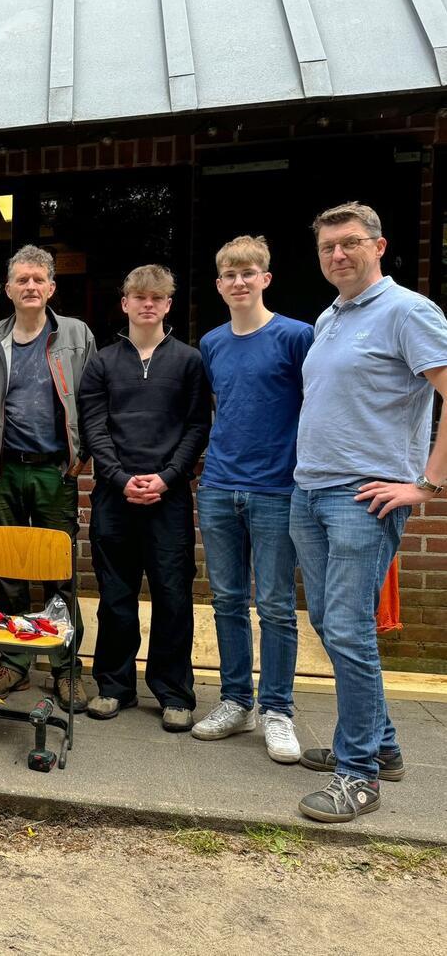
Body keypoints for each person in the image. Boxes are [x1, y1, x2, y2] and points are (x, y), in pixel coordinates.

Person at [289, 202, 447, 823]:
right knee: (331, 625)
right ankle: (380, 746)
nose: (338, 255)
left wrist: (428, 485)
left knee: (350, 630)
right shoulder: (331, 315)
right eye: (328, 246)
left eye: (351, 243)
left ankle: (359, 778)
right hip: (311, 491)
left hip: (363, 496)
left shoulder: (408, 311)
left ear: (379, 247)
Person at [191, 237, 312, 763]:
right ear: (219, 285)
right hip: (218, 487)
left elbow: (320, 404)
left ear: (266, 277)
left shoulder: (296, 336)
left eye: (249, 272)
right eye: (229, 275)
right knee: (226, 601)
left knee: (278, 607)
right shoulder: (212, 343)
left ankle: (277, 709)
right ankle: (236, 700)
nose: (239, 281)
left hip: (277, 490)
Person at [78, 266, 211, 732]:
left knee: (173, 596)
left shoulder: (189, 361)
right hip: (115, 498)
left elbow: (197, 426)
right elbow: (94, 425)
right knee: (115, 597)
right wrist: (117, 477)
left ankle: (174, 693)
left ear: (168, 304)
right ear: (125, 303)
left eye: (157, 297)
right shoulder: (102, 362)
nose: (148, 303)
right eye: (139, 296)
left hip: (169, 499)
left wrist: (169, 477)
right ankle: (114, 687)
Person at [0, 245, 97, 713]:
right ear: (7, 289)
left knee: (58, 573)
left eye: (37, 279)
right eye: (20, 280)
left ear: (51, 287)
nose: (29, 287)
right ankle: (15, 663)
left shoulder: (77, 335)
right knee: (9, 571)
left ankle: (65, 669)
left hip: (53, 468)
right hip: (2, 469)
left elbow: (93, 398)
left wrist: (83, 453)